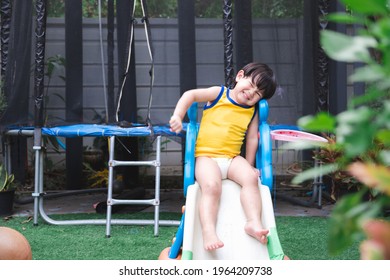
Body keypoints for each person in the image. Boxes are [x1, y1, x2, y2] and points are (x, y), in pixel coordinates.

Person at [169, 62, 277, 251]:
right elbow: (190, 95)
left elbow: (252, 138)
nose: (252, 93)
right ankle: (208, 231)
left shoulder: (252, 111)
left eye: (258, 93)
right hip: (206, 157)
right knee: (211, 186)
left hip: (232, 159)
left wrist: (249, 165)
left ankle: (252, 222)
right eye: (251, 85)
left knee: (251, 178)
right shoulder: (219, 93)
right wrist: (178, 116)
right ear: (239, 76)